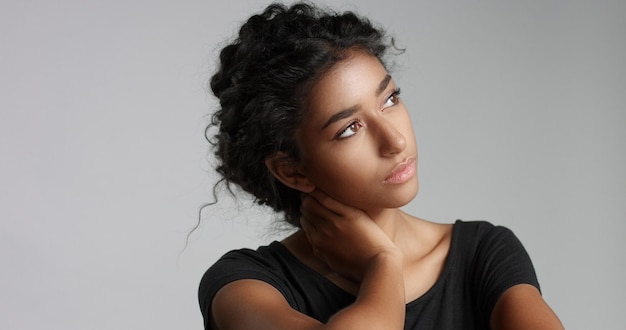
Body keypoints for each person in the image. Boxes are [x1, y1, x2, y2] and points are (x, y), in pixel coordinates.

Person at [198, 2, 563, 329]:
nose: (396, 141)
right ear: (292, 170)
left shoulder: (483, 254)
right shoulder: (244, 285)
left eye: (390, 99)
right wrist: (382, 263)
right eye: (349, 128)